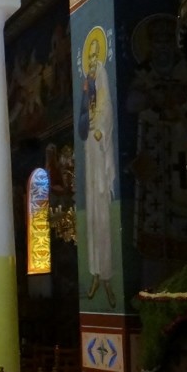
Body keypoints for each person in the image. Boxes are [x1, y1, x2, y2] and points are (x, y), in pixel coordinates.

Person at [78, 31, 116, 308]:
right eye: (89, 57)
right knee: (91, 211)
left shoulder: (102, 83)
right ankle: (94, 272)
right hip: (89, 150)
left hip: (100, 149)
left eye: (94, 56)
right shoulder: (88, 89)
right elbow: (83, 122)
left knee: (102, 211)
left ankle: (106, 274)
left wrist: (100, 131)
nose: (91, 63)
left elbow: (105, 114)